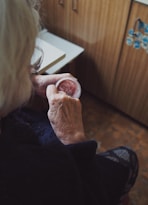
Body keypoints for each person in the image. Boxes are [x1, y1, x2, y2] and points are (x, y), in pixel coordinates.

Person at [0, 0, 138, 205]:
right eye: (25, 65)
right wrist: (73, 136)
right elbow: (90, 196)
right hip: (82, 180)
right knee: (129, 157)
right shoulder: (33, 172)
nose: (31, 70)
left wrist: (26, 83)